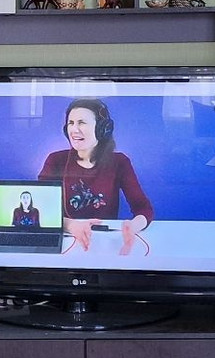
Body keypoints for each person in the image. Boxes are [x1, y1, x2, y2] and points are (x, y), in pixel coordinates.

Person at [37, 99, 152, 256]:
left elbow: (143, 208)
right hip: (66, 242)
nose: (74, 129)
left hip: (105, 245)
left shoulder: (119, 162)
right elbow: (42, 208)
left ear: (102, 129)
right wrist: (71, 226)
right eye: (71, 123)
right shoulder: (55, 160)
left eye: (82, 123)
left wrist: (133, 226)